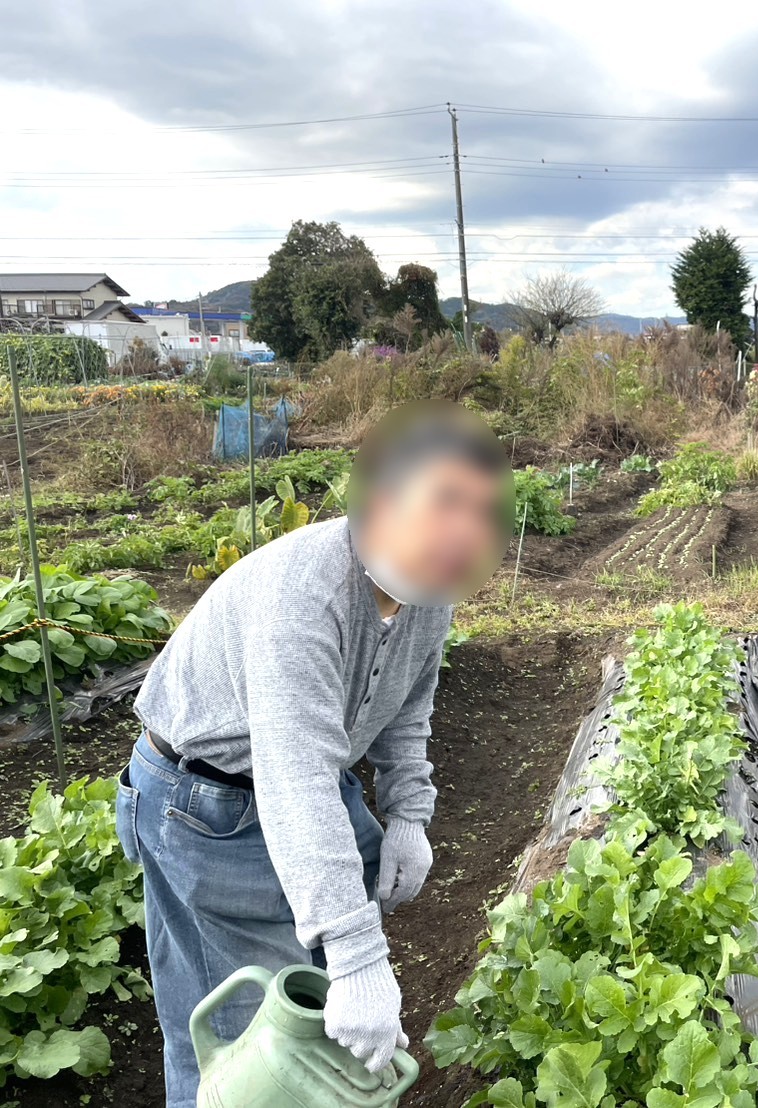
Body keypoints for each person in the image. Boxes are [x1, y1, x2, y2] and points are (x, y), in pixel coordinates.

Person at [116, 402, 511, 1107]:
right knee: (244, 1040)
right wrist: (357, 956)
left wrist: (409, 815)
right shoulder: (301, 595)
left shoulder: (429, 592)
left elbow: (406, 706)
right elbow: (293, 774)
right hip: (204, 802)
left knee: (313, 1006)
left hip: (298, 786)